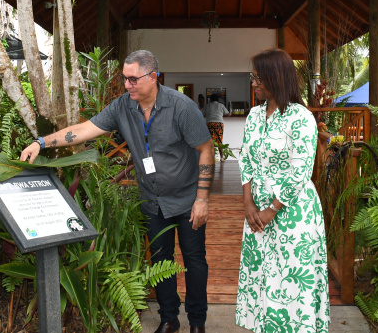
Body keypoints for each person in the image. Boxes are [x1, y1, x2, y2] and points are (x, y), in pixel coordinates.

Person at [21, 50, 215, 333]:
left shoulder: (181, 107)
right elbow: (84, 130)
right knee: (161, 261)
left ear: (153, 77)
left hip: (187, 200)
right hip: (152, 200)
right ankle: (169, 319)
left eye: (133, 79)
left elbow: (206, 149)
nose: (127, 85)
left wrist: (202, 199)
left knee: (194, 260)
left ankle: (197, 322)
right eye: (124, 79)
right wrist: (41, 142)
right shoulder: (123, 106)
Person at [236, 48, 329, 333]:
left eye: (259, 77)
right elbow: (246, 159)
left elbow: (299, 171)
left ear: (276, 77)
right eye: (254, 77)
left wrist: (271, 210)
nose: (254, 83)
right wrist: (248, 203)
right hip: (257, 214)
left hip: (292, 213)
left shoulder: (301, 117)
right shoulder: (253, 115)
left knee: (291, 280)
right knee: (262, 277)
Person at [201, 94, 230, 160]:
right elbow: (228, 114)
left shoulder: (207, 105)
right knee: (219, 140)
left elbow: (201, 114)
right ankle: (222, 158)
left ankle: (211, 158)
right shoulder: (221, 105)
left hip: (210, 124)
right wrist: (220, 115)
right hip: (219, 124)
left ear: (210, 99)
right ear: (218, 99)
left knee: (211, 141)